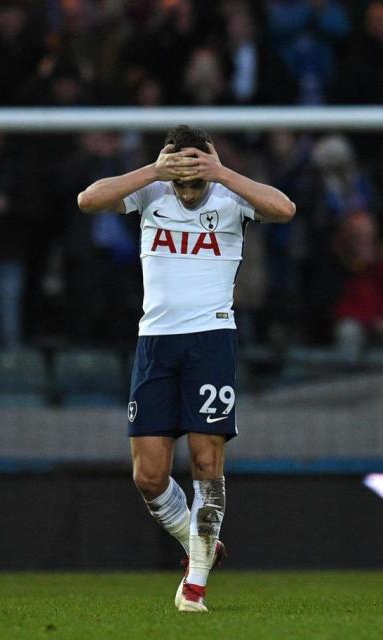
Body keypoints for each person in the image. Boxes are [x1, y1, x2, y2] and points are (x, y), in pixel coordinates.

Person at [77, 125, 296, 612]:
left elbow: (285, 209)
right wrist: (153, 170)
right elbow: (88, 200)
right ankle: (202, 544)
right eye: (182, 178)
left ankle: (194, 585)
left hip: (211, 341)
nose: (189, 189)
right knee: (148, 475)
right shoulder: (152, 190)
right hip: (154, 342)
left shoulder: (229, 194)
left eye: (197, 177)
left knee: (205, 463)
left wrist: (221, 171)